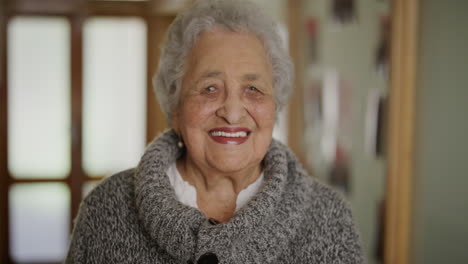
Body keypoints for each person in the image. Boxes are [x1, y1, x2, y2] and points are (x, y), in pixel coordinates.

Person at [65, 0, 364, 263]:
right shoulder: (106, 210)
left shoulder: (329, 217)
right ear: (175, 108)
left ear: (276, 106)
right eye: (209, 88)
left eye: (253, 89)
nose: (232, 113)